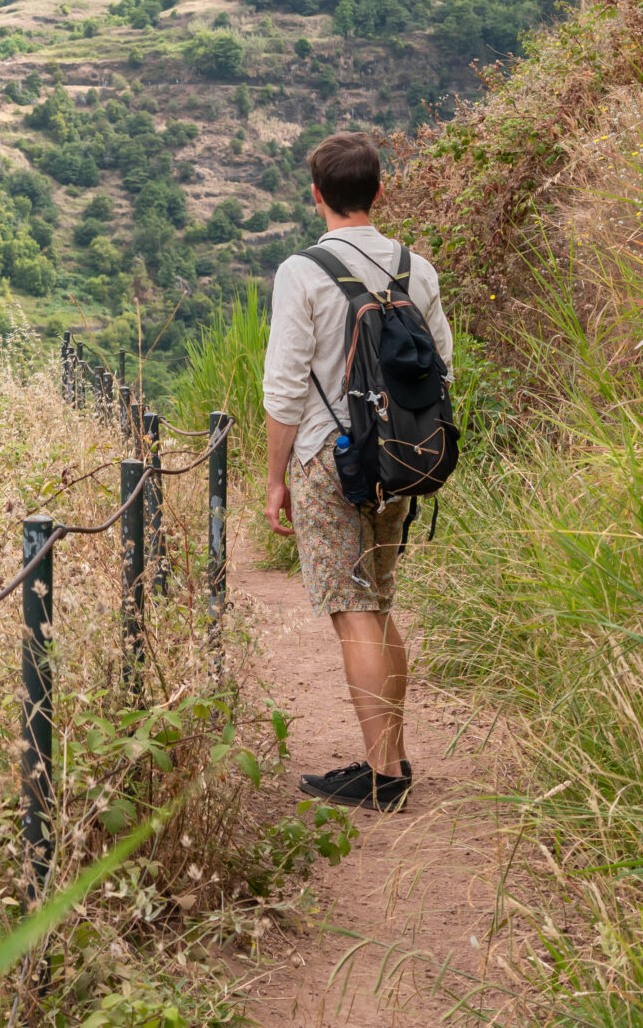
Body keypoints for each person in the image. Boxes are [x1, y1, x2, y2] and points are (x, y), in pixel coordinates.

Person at [262, 132, 452, 812]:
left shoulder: (303, 271)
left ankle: (381, 776)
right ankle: (392, 758)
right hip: (399, 462)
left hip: (329, 462)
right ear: (379, 190)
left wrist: (275, 477)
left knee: (353, 611)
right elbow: (442, 372)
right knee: (378, 601)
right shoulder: (415, 269)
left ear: (316, 195)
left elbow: (284, 389)